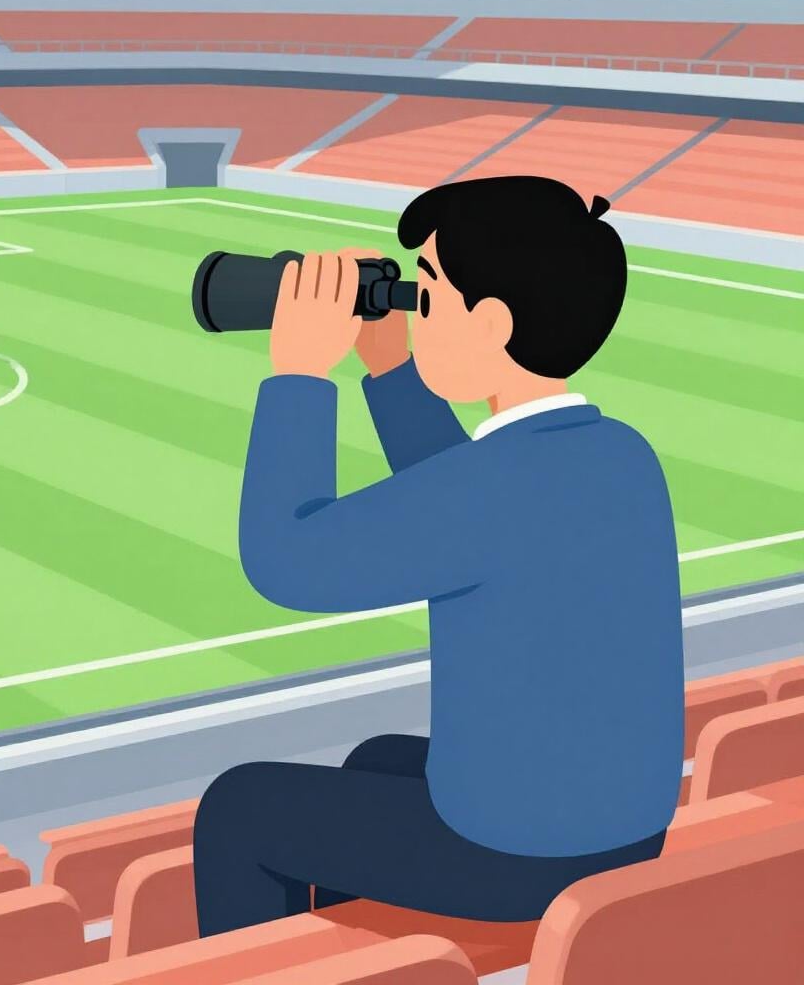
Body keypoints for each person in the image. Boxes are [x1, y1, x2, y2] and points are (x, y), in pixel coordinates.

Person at [193, 176, 685, 937]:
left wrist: (299, 374)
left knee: (239, 808)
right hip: (625, 829)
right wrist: (390, 368)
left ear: (489, 324)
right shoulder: (619, 453)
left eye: (426, 295)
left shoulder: (495, 487)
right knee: (377, 761)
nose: (415, 314)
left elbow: (286, 559)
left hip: (521, 853)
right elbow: (460, 502)